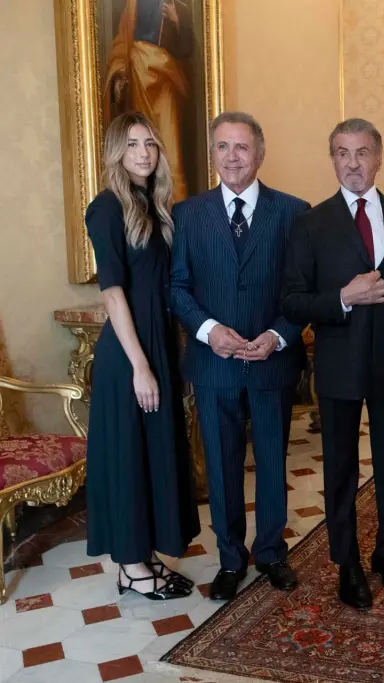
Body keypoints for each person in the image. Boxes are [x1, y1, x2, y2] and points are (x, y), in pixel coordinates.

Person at [281, 119, 384, 610]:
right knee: (342, 470)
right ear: (332, 159)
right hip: (339, 369)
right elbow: (291, 300)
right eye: (342, 153)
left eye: (362, 152)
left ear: (379, 156)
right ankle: (347, 563)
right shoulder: (311, 223)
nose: (353, 162)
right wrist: (343, 298)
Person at [170, 112, 310, 600]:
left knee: (272, 460)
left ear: (260, 153)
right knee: (224, 464)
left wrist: (278, 334)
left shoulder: (294, 212)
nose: (233, 156)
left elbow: (302, 291)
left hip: (271, 361)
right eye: (223, 147)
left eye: (242, 147)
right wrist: (209, 333)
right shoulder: (188, 214)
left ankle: (271, 553)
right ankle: (231, 559)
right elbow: (179, 288)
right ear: (213, 155)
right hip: (214, 366)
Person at [85, 111, 198, 600]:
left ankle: (144, 555)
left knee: (154, 452)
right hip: (128, 355)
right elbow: (113, 295)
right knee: (130, 454)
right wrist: (141, 366)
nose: (144, 153)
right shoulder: (106, 207)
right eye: (132, 144)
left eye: (150, 144)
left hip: (158, 344)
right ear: (116, 151)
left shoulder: (152, 206)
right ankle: (131, 568)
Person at [104, 0, 194, 202]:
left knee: (170, 149)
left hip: (166, 83)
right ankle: (144, 203)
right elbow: (122, 43)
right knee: (141, 146)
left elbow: (187, 50)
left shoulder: (181, 8)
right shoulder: (133, 5)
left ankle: (174, 207)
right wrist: (118, 76)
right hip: (139, 78)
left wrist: (176, 21)